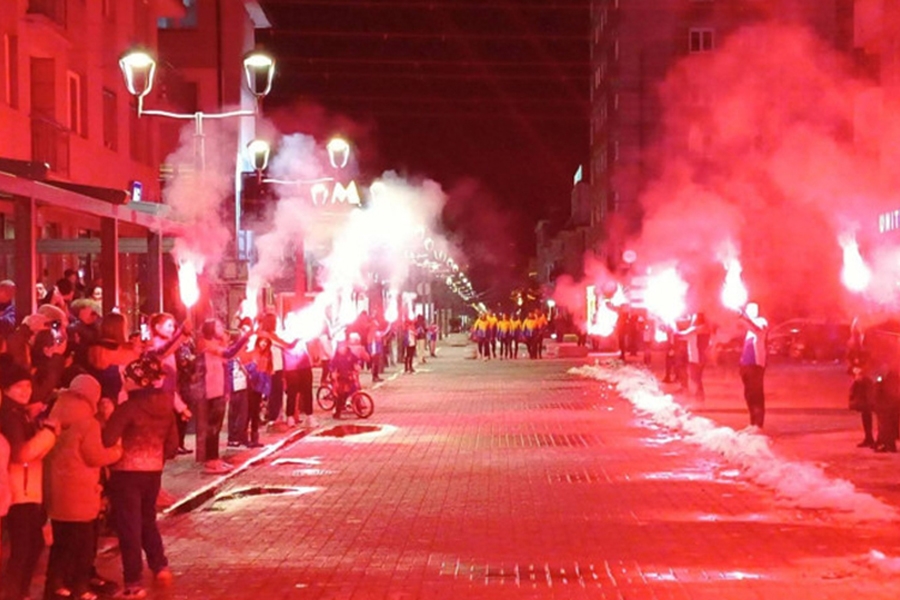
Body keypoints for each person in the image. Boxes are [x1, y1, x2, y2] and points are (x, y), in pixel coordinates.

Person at [102, 350, 180, 598]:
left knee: (129, 526)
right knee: (147, 519)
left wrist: (106, 418)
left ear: (137, 381)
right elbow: (172, 445)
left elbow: (108, 438)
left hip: (126, 472)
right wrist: (156, 456)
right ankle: (159, 565)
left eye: (127, 378)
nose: (124, 381)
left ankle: (133, 580)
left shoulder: (129, 408)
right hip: (153, 471)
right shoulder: (166, 408)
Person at [43, 374, 123, 600]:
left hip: (57, 492)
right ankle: (80, 587)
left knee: (61, 544)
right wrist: (117, 451)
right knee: (84, 545)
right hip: (80, 494)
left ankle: (55, 586)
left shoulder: (56, 414)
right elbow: (94, 457)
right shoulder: (87, 423)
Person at [0, 357, 58, 600]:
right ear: (6, 390)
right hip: (19, 492)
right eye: (19, 387)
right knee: (24, 548)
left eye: (27, 386)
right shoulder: (10, 416)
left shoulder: (18, 414)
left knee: (31, 546)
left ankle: (18, 593)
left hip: (25, 490)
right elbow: (21, 454)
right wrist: (49, 434)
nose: (25, 391)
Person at [194, 318, 250, 473]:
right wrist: (245, 337)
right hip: (211, 389)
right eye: (218, 326)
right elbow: (229, 354)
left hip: (219, 388)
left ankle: (215, 458)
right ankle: (210, 461)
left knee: (216, 427)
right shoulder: (207, 344)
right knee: (212, 427)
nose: (221, 328)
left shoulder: (217, 344)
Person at [738, 302, 769, 428]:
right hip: (746, 366)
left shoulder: (761, 321)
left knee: (756, 394)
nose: (751, 311)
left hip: (756, 365)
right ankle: (753, 422)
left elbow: (757, 330)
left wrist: (743, 317)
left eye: (753, 309)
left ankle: (758, 424)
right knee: (749, 395)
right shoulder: (748, 329)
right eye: (748, 309)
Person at [847, 322, 876, 448]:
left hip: (870, 378)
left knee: (877, 408)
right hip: (860, 379)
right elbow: (849, 357)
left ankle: (884, 437)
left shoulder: (871, 340)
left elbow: (874, 358)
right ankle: (869, 437)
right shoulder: (853, 343)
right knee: (865, 409)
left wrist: (864, 371)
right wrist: (854, 369)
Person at [677, 312, 710, 400]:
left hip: (696, 357)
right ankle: (699, 396)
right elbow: (684, 336)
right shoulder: (702, 328)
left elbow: (682, 335)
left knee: (695, 378)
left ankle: (699, 396)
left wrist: (675, 330)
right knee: (697, 378)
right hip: (698, 357)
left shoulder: (696, 329)